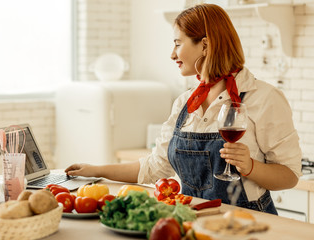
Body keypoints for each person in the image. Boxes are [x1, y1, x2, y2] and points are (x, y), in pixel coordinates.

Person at [65, 4, 302, 214]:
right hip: (194, 219)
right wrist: (95, 169)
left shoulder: (264, 98)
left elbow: (290, 175)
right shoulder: (185, 103)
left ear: (205, 45)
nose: (172, 54)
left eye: (178, 44)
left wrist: (251, 167)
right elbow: (156, 166)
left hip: (248, 224)